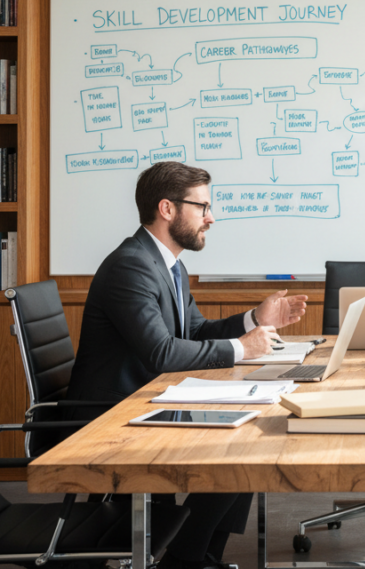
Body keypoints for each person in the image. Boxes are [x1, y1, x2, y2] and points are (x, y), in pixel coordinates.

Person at [66, 161, 308, 569]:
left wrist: (255, 320)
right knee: (242, 444)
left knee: (248, 433)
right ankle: (186, 557)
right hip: (113, 415)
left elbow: (193, 331)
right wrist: (241, 349)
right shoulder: (131, 265)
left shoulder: (169, 264)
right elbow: (161, 353)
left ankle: (199, 553)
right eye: (202, 207)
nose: (210, 219)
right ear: (167, 209)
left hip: (148, 399)